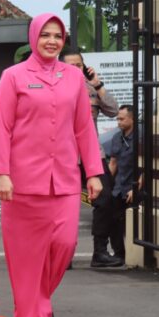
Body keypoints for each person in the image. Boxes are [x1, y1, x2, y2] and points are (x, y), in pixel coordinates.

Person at [0, 13, 103, 317]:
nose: (52, 41)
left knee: (64, 244)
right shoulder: (13, 77)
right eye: (45, 35)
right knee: (27, 253)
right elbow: (1, 127)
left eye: (58, 36)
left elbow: (84, 127)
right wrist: (2, 174)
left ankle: (36, 300)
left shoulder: (72, 77)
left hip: (66, 178)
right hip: (23, 181)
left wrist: (94, 173)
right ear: (33, 38)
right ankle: (38, 315)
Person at [59, 48, 122, 267]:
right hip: (63, 156)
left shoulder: (92, 89)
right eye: (70, 65)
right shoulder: (54, 89)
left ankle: (100, 252)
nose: (75, 69)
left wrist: (98, 84)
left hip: (93, 154)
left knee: (106, 200)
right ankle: (61, 255)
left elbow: (114, 111)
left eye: (79, 65)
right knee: (61, 206)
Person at [105, 105, 141, 267]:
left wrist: (137, 187)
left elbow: (146, 166)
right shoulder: (116, 138)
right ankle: (119, 254)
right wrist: (105, 186)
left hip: (132, 186)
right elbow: (113, 163)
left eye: (122, 118)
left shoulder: (140, 138)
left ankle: (137, 254)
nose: (118, 122)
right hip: (118, 187)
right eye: (117, 118)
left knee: (132, 223)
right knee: (114, 222)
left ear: (132, 119)